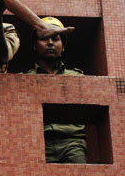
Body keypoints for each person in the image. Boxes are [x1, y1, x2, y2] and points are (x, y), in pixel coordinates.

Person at [27, 17, 87, 164]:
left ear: (63, 46)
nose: (50, 43)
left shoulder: (78, 77)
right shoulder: (25, 79)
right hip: (38, 142)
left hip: (72, 142)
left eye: (55, 38)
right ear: (35, 45)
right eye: (44, 38)